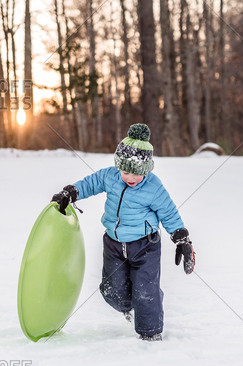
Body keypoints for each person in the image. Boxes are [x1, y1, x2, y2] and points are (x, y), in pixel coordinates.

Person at [51, 123, 195, 341]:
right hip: (114, 245)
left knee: (145, 293)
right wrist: (71, 193)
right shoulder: (110, 177)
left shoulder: (154, 187)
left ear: (146, 170)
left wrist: (182, 240)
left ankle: (150, 333)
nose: (130, 177)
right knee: (112, 292)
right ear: (118, 166)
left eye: (137, 173)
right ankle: (130, 305)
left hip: (145, 246)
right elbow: (90, 184)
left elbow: (168, 212)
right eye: (126, 171)